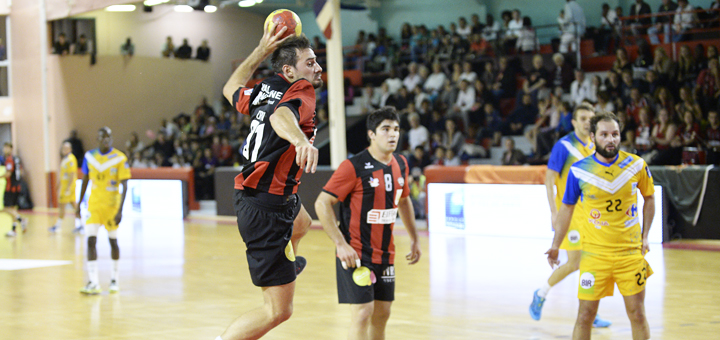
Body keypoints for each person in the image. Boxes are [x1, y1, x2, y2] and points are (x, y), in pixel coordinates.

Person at [216, 22, 322, 340]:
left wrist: (260, 51)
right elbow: (280, 117)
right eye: (310, 62)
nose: (317, 67)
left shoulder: (265, 87)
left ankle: (290, 259)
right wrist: (301, 142)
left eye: (316, 60)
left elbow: (230, 88)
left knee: (302, 222)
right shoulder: (301, 90)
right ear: (289, 70)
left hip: (270, 196)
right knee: (278, 312)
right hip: (266, 207)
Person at [314, 107, 421, 340]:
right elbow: (322, 203)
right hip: (356, 254)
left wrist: (414, 238)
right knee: (363, 313)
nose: (392, 135)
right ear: (371, 134)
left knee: (383, 314)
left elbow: (404, 202)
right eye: (385, 129)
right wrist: (340, 244)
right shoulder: (353, 166)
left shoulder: (401, 163)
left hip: (386, 254)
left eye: (396, 129)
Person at [546, 112, 655, 340]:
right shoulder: (578, 171)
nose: (611, 139)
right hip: (594, 257)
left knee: (637, 314)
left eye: (615, 134)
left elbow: (650, 198)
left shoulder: (636, 165)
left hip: (630, 255)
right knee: (585, 315)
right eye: (604, 135)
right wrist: (556, 244)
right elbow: (567, 208)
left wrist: (645, 236)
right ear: (593, 137)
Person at [529, 104, 611, 328]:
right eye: (582, 118)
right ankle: (541, 294)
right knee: (575, 263)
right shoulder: (563, 146)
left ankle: (590, 312)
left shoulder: (595, 146)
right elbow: (549, 180)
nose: (587, 122)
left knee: (592, 263)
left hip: (591, 215)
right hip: (570, 214)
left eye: (590, 118)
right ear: (573, 122)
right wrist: (553, 212)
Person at [76, 127, 131, 294]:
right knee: (90, 240)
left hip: (111, 206)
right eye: (102, 137)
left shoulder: (120, 158)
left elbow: (125, 185)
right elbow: (85, 179)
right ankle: (93, 282)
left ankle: (114, 278)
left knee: (112, 241)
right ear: (97, 139)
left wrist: (120, 210)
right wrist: (79, 203)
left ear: (111, 139)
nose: (105, 139)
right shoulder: (89, 157)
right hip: (94, 205)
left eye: (108, 136)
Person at [49, 142, 82, 233]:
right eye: (63, 148)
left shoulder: (71, 159)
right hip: (64, 186)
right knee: (74, 205)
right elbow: (62, 174)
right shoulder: (64, 159)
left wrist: (68, 187)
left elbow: (72, 174)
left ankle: (57, 226)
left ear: (70, 149)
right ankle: (82, 224)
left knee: (62, 205)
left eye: (66, 148)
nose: (64, 150)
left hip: (68, 187)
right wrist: (58, 185)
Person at [2, 143, 27, 237]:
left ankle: (21, 220)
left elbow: (8, 174)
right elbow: (21, 172)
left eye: (6, 147)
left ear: (10, 149)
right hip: (17, 186)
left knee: (6, 208)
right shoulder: (16, 159)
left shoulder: (9, 159)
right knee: (12, 209)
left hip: (10, 187)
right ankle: (14, 229)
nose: (4, 149)